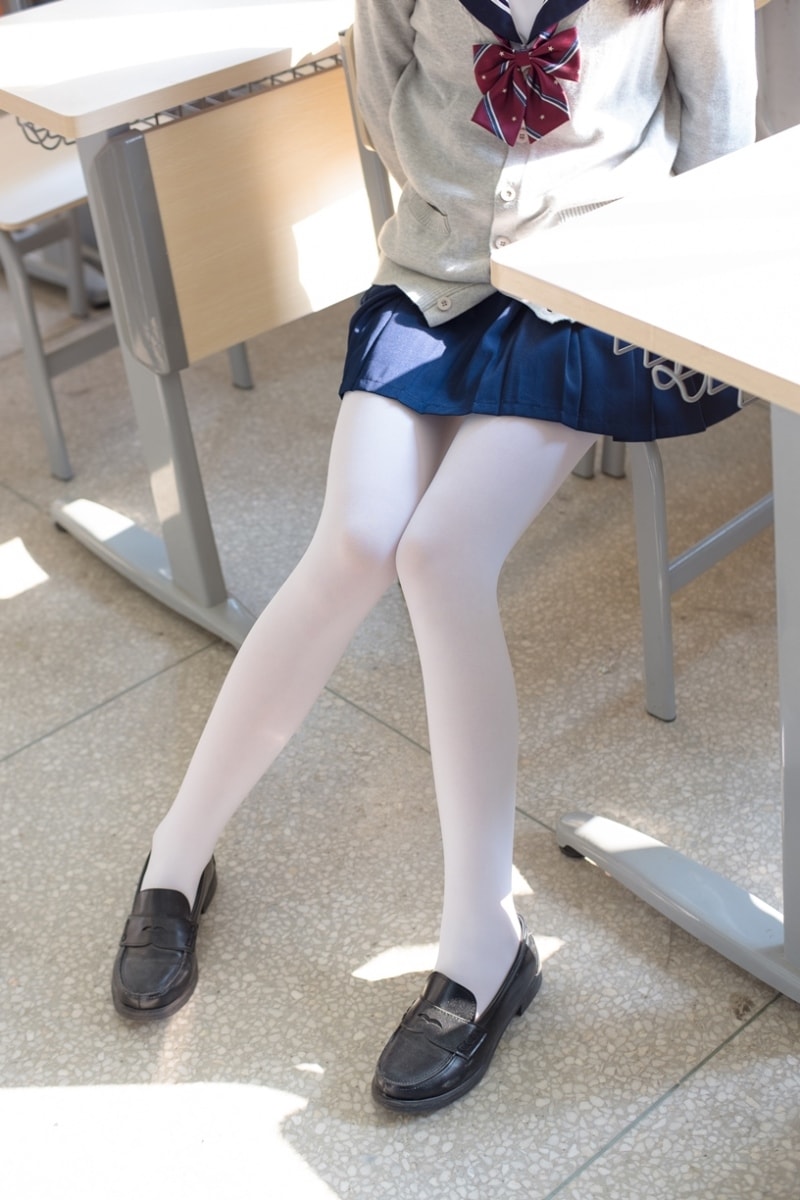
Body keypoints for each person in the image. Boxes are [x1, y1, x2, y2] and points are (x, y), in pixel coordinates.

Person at [111, 0, 758, 1114]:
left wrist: (662, 302)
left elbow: (718, 126)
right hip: (428, 274)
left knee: (442, 554)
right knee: (356, 540)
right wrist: (461, 205)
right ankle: (175, 858)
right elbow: (380, 98)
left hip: (584, 295)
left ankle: (483, 945)